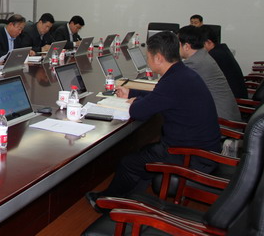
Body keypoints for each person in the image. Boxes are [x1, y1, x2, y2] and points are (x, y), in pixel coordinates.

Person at [86, 31, 220, 211]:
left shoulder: (173, 81)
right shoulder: (182, 73)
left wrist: (134, 102)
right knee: (144, 153)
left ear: (158, 58)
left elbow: (139, 111)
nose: (147, 60)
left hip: (191, 155)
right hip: (201, 148)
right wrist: (132, 93)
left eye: (148, 56)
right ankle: (130, 200)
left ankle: (106, 203)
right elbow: (160, 96)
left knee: (129, 163)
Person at [178, 25, 241, 121]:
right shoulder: (203, 55)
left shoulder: (195, 62)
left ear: (186, 46)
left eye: (177, 44)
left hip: (222, 121)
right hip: (225, 114)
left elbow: (173, 83)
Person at [202, 25, 248, 99]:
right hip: (235, 95)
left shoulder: (214, 55)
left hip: (233, 100)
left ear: (208, 42)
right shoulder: (221, 49)